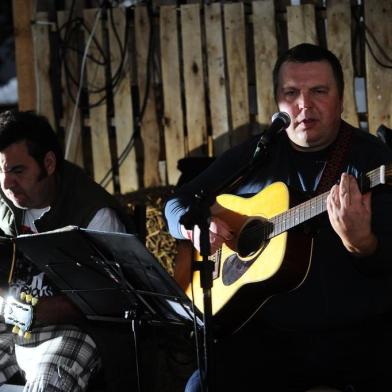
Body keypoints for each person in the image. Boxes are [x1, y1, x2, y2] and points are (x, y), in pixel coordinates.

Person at [164, 43, 392, 391]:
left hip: (352, 341)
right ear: (278, 104)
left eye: (318, 91)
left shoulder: (374, 162)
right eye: (291, 93)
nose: (304, 104)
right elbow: (177, 203)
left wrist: (364, 245)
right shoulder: (258, 153)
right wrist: (194, 229)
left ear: (341, 100)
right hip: (265, 336)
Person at [0, 109, 135, 391]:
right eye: (0, 171)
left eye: (18, 171)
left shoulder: (95, 215)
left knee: (47, 384)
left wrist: (35, 312)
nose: (6, 183)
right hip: (9, 324)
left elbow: (118, 299)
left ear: (48, 163)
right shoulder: (4, 202)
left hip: (75, 330)